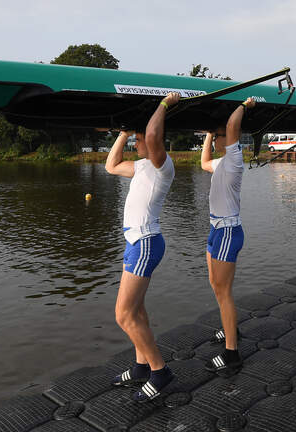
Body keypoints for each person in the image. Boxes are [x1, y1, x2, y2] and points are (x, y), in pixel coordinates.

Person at [105, 93, 178, 401]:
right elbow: (111, 166)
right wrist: (123, 132)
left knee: (123, 315)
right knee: (136, 310)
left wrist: (164, 104)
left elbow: (151, 136)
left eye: (137, 140)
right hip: (135, 241)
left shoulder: (162, 166)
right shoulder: (141, 166)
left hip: (145, 243)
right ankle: (140, 367)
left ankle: (160, 371)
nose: (137, 144)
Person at [199, 97, 255, 373]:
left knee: (223, 291)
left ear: (228, 138)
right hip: (216, 230)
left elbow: (233, 126)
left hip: (228, 231)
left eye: (219, 135)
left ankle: (232, 353)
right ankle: (229, 327)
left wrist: (244, 105)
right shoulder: (221, 163)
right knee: (216, 285)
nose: (217, 139)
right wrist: (210, 134)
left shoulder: (233, 159)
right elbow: (203, 163)